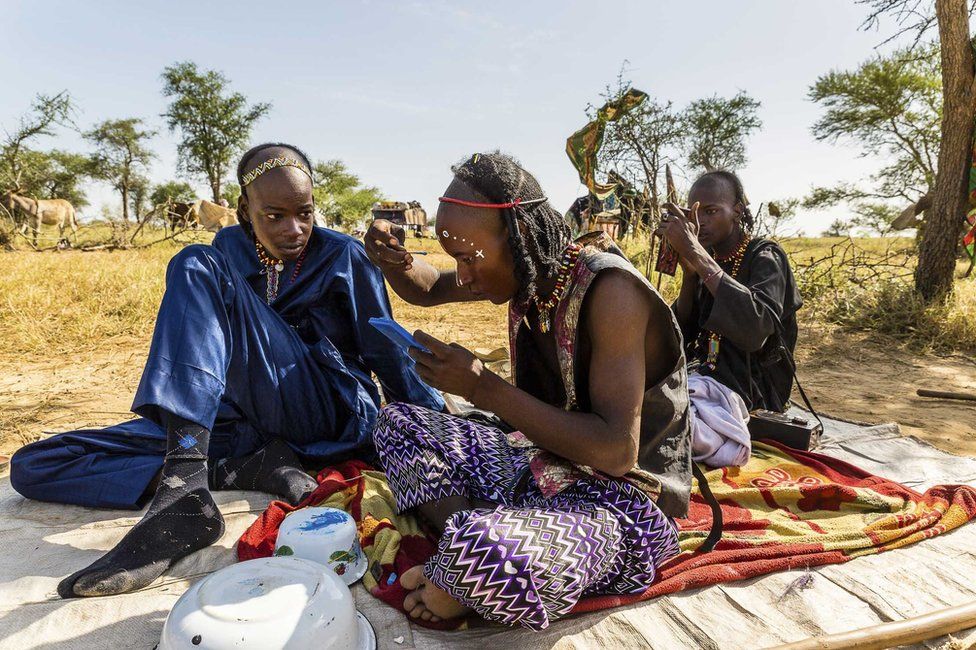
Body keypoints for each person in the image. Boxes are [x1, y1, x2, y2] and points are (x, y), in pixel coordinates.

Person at [10, 142, 443, 598]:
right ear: (244, 210)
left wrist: (434, 423)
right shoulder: (228, 250)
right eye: (274, 215)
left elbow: (385, 351)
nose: (294, 229)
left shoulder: (343, 256)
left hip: (320, 409)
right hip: (240, 420)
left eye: (305, 213)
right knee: (36, 465)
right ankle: (236, 471)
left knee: (192, 262)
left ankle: (182, 491)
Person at [364, 152, 689, 630]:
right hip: (537, 462)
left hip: (621, 501)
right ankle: (471, 542)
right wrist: (395, 261)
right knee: (398, 421)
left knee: (487, 555)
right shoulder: (530, 273)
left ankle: (476, 552)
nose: (466, 276)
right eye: (459, 261)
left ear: (519, 242)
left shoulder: (612, 292)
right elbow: (428, 288)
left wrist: (483, 388)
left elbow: (618, 453)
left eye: (471, 259)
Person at [657, 171, 802, 467]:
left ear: (736, 212)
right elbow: (680, 334)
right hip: (708, 375)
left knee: (665, 422)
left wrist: (698, 256)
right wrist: (689, 275)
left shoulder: (765, 257)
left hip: (754, 386)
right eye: (697, 213)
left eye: (712, 211)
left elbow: (754, 330)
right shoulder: (708, 260)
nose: (702, 222)